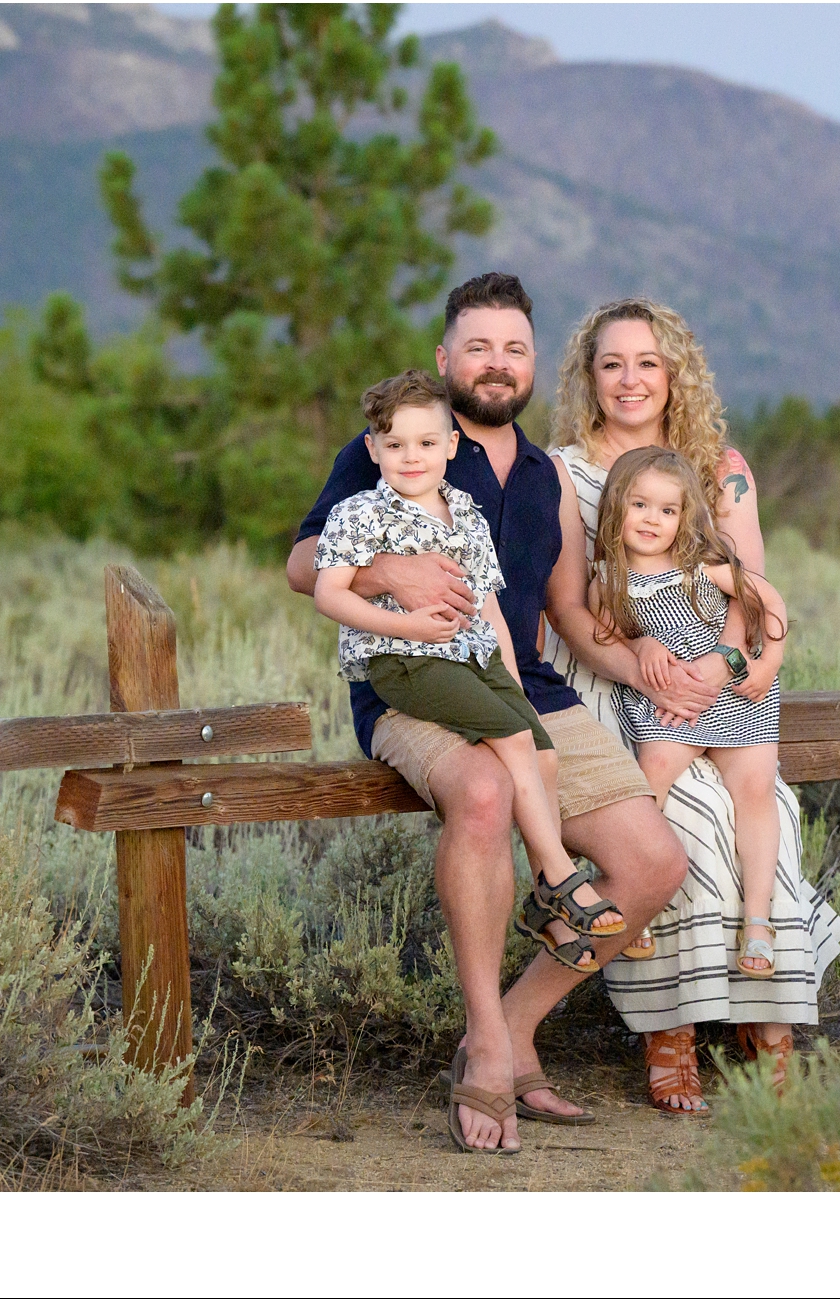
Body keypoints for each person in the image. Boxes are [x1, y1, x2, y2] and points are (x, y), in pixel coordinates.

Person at [285, 274, 687, 1155]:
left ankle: (506, 1025)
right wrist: (390, 571)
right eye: (478, 346)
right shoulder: (408, 436)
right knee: (480, 795)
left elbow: (569, 609)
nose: (497, 364)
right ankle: (489, 1055)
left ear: (534, 363)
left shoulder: (543, 474)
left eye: (514, 349)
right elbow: (303, 560)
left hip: (524, 682)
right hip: (410, 682)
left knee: (653, 861)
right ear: (445, 357)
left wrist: (659, 671)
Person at [541, 297, 840, 1112]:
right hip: (609, 677)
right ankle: (669, 1032)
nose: (631, 379)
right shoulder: (562, 470)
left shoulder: (717, 465)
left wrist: (722, 663)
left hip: (717, 676)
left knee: (764, 802)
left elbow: (747, 593)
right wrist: (642, 670)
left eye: (648, 362)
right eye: (612, 363)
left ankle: (767, 1022)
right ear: (589, 376)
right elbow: (572, 608)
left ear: (675, 372)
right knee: (684, 816)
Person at [312, 369, 626, 980]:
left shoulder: (466, 515)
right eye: (394, 444)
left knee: (542, 753)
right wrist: (406, 627)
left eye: (427, 443)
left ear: (451, 446)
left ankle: (543, 905)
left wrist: (514, 687)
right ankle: (561, 877)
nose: (411, 457)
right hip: (404, 663)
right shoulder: (359, 514)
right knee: (511, 742)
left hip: (474, 660)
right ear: (371, 448)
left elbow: (489, 612)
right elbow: (329, 593)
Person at [591, 446, 791, 982]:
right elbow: (606, 638)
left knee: (756, 789)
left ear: (684, 518)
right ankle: (638, 907)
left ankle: (758, 920)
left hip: (735, 693)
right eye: (639, 505)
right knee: (648, 780)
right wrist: (641, 648)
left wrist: (768, 662)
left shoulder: (699, 566)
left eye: (667, 510)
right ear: (616, 507)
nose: (652, 520)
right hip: (671, 698)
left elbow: (766, 599)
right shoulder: (607, 580)